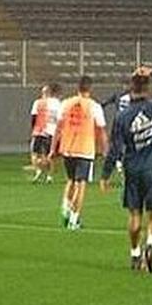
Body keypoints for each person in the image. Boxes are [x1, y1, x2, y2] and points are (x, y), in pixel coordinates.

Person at [100, 67, 152, 273]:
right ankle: (150, 245)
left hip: (131, 170)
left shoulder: (122, 116)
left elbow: (115, 149)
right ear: (148, 90)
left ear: (130, 89)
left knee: (135, 214)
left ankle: (135, 253)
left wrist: (106, 174)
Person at [50, 75, 108, 230]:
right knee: (81, 184)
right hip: (85, 149)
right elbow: (101, 130)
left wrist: (52, 149)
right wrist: (105, 150)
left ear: (78, 87)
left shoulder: (66, 104)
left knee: (70, 180)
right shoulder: (94, 106)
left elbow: (58, 128)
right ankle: (74, 219)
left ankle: (65, 207)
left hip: (67, 148)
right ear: (90, 88)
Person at [28, 84, 61, 183]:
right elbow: (60, 119)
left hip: (39, 131)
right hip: (52, 132)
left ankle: (39, 170)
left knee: (34, 153)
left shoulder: (38, 102)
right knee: (50, 155)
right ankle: (49, 176)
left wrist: (33, 130)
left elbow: (33, 118)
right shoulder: (57, 103)